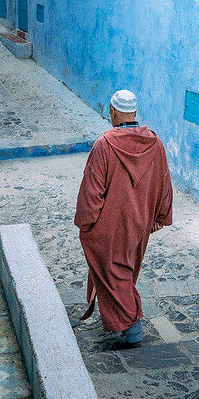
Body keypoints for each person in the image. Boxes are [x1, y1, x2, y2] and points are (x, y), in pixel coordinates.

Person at [74, 89, 173, 350]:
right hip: (140, 224)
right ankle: (126, 324)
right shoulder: (156, 144)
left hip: (110, 224)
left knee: (114, 273)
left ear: (113, 112)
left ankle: (132, 327)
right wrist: (160, 217)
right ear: (135, 113)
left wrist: (87, 223)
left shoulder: (105, 145)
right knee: (124, 270)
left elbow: (92, 191)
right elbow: (164, 182)